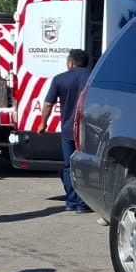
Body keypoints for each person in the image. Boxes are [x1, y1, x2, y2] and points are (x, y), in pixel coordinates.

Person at [40, 49, 92, 213]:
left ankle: (71, 202)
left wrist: (43, 123)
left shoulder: (59, 79)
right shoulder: (93, 77)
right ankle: (83, 204)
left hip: (68, 131)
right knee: (85, 167)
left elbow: (48, 104)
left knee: (69, 166)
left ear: (70, 62)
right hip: (87, 131)